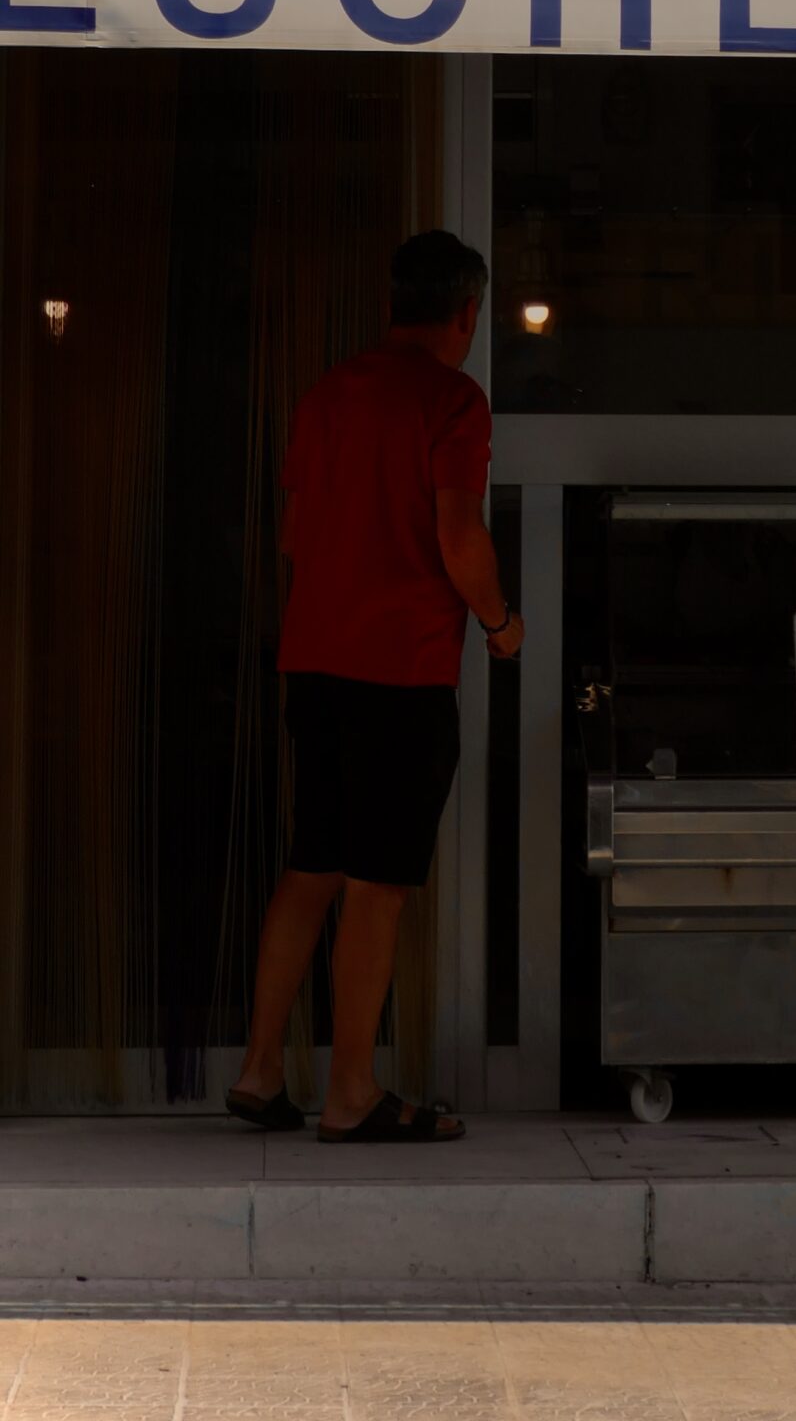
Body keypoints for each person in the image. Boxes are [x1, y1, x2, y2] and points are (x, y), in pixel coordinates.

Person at [227, 229, 523, 1143]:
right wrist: (500, 625)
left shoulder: (329, 393)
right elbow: (459, 536)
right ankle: (351, 1091)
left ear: (394, 304)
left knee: (311, 866)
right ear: (466, 313)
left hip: (315, 659)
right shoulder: (452, 400)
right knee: (377, 883)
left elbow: (294, 534)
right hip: (401, 668)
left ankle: (260, 1069)